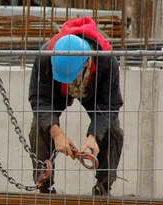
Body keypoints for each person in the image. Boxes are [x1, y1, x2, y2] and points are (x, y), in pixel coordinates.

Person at [28, 17, 124, 195]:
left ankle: (103, 187)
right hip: (57, 91)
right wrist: (57, 134)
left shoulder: (106, 60)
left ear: (87, 61)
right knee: (39, 127)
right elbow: (39, 99)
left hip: (92, 90)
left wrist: (93, 136)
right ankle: (44, 183)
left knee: (113, 131)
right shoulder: (45, 56)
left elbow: (110, 104)